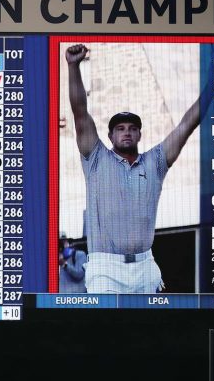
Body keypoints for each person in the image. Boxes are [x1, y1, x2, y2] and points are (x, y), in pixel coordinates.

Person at [65, 43, 202, 293]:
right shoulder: (95, 158)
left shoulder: (156, 162)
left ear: (139, 134)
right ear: (110, 135)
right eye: (120, 128)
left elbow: (186, 125)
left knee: (148, 332)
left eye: (131, 128)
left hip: (145, 266)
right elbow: (80, 112)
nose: (126, 132)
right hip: (105, 269)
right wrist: (73, 66)